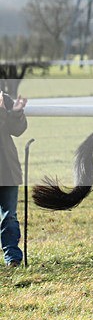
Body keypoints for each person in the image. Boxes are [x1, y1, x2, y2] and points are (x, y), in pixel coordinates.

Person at [1, 90, 27, 267]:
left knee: (9, 216)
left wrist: (16, 112)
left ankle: (13, 259)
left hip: (6, 168)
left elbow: (17, 130)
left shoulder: (4, 98)